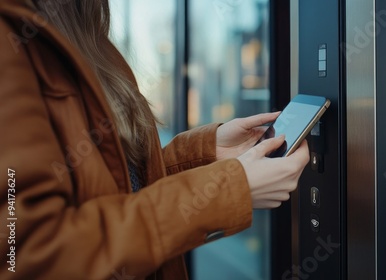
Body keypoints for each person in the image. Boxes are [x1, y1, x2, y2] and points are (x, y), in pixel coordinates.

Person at [0, 0, 309, 279]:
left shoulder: (91, 37)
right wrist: (227, 189)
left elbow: (119, 187)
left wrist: (206, 154)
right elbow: (27, 256)